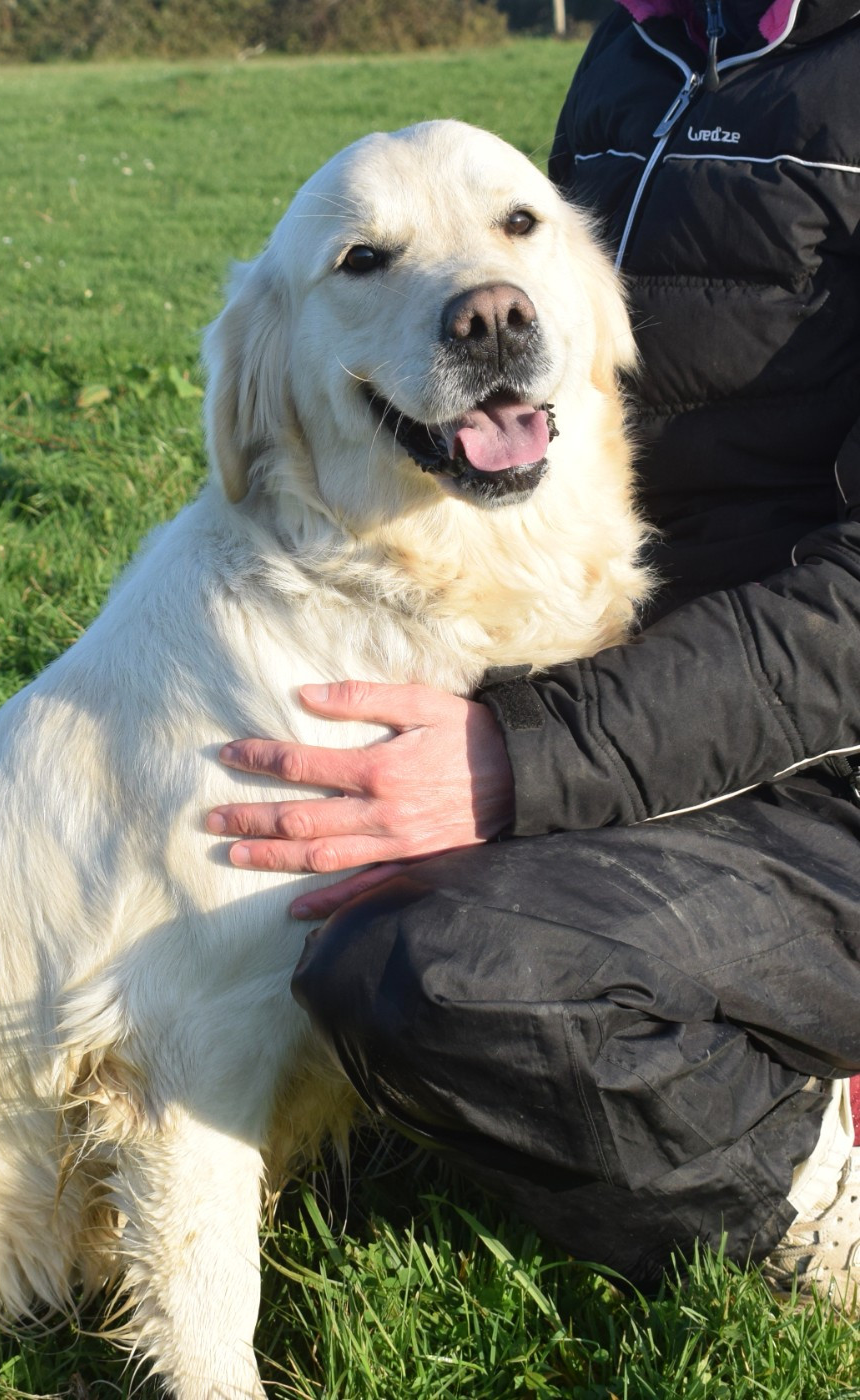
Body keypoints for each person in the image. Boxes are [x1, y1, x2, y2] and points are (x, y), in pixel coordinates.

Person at [206, 0, 860, 1297]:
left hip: (827, 768)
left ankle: (810, 1185)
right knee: (310, 882)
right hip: (628, 680)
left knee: (425, 970)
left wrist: (520, 764)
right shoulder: (637, 48)